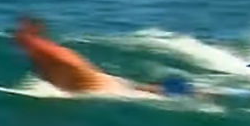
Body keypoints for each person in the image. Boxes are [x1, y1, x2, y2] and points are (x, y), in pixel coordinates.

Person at [13, 16, 195, 97]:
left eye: (22, 31)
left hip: (105, 89)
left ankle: (197, 94)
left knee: (158, 94)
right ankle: (183, 90)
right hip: (105, 80)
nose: (16, 34)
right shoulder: (39, 50)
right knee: (146, 88)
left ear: (34, 33)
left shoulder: (53, 52)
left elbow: (74, 68)